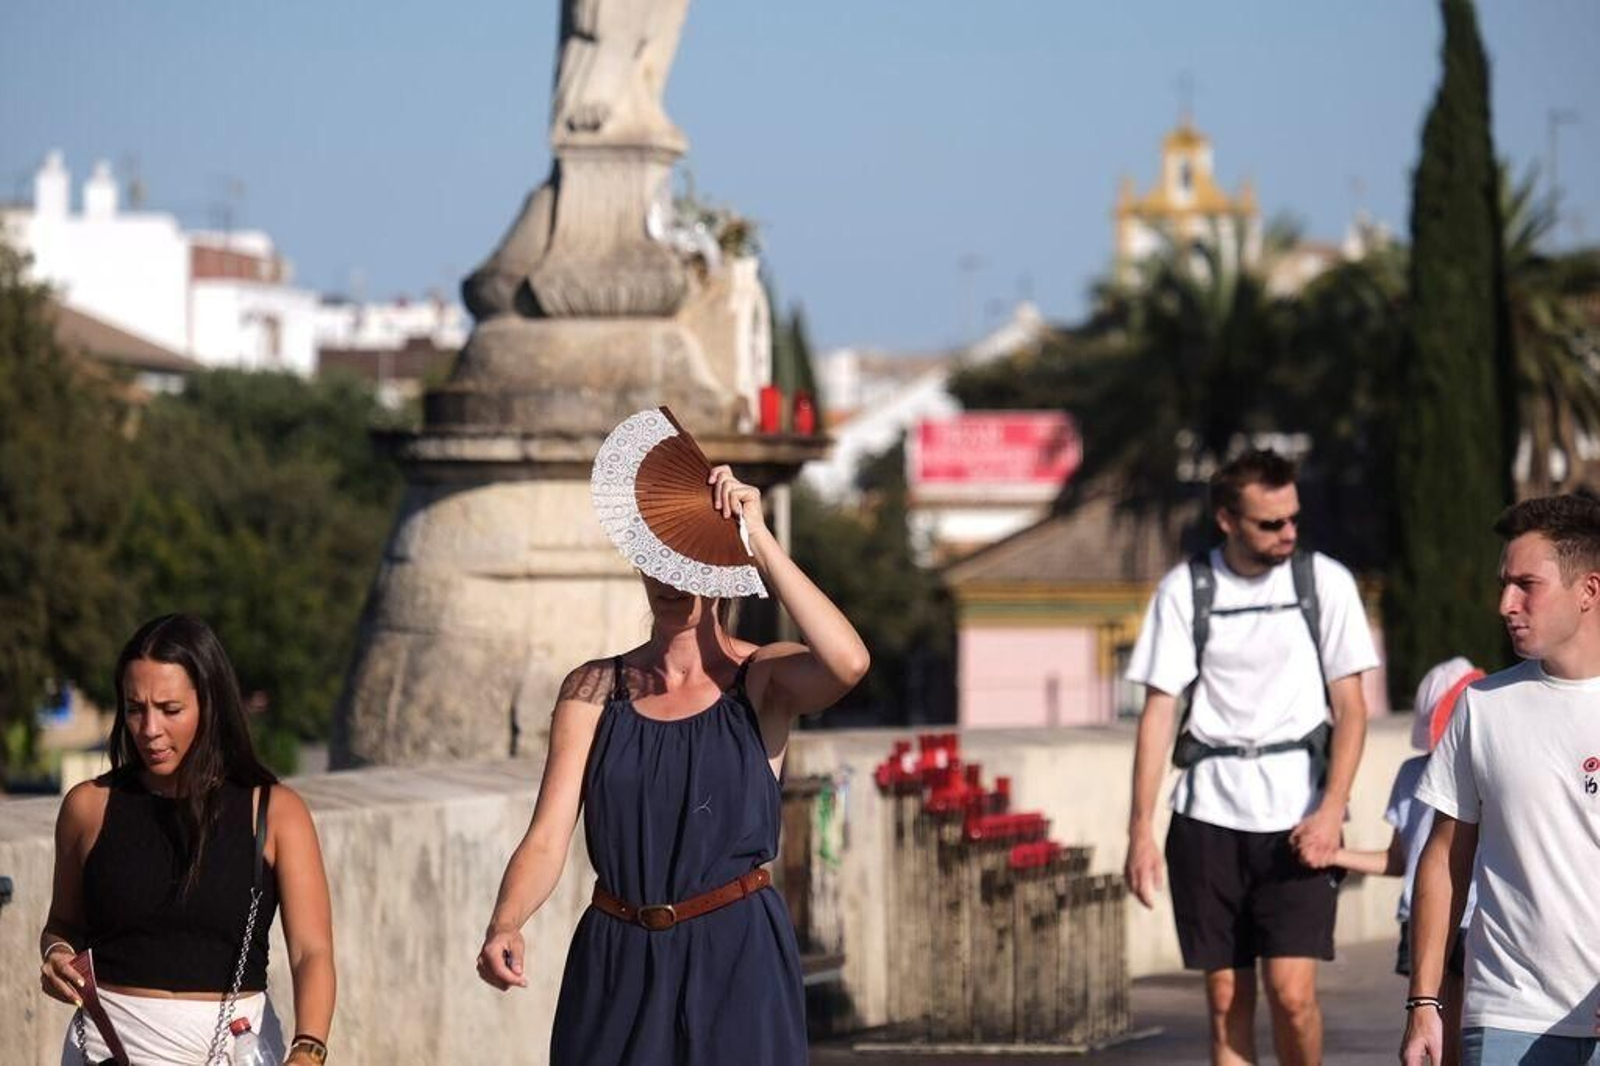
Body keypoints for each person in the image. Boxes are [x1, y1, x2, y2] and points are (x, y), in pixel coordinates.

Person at [475, 464, 870, 1065]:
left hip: (737, 955)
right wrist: (505, 922)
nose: (670, 578)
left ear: (724, 569)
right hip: (617, 957)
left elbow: (848, 663)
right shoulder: (592, 687)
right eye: (656, 557)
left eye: (689, 560)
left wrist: (758, 537)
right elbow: (548, 837)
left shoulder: (762, 678)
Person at [1122, 449, 1380, 1066]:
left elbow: (1353, 709)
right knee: (1224, 998)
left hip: (1298, 818)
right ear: (1227, 521)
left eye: (1293, 518)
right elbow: (1160, 712)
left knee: (1292, 996)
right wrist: (1140, 829)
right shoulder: (1186, 590)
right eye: (1271, 523)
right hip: (1208, 816)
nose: (1288, 532)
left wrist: (1331, 810)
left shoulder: (1326, 583)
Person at [37, 614, 336, 1066]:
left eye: (170, 709)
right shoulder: (88, 808)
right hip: (106, 1052)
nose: (149, 729)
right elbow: (62, 924)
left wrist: (308, 1050)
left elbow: (312, 952)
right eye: (135, 709)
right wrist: (57, 954)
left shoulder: (276, 813)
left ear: (209, 707)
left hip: (233, 1050)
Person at [1401, 495, 1600, 1066]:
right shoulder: (1482, 708)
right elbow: (1443, 859)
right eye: (1503, 584)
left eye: (1526, 585)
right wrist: (1424, 1001)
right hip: (1508, 1013)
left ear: (1588, 590)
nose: (1505, 603)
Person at [1334, 656, 1483, 1065]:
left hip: (1473, 917)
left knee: (1468, 1038)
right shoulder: (1408, 776)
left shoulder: (1485, 771)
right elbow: (1400, 860)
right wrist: (1335, 855)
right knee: (1435, 1041)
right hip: (1421, 922)